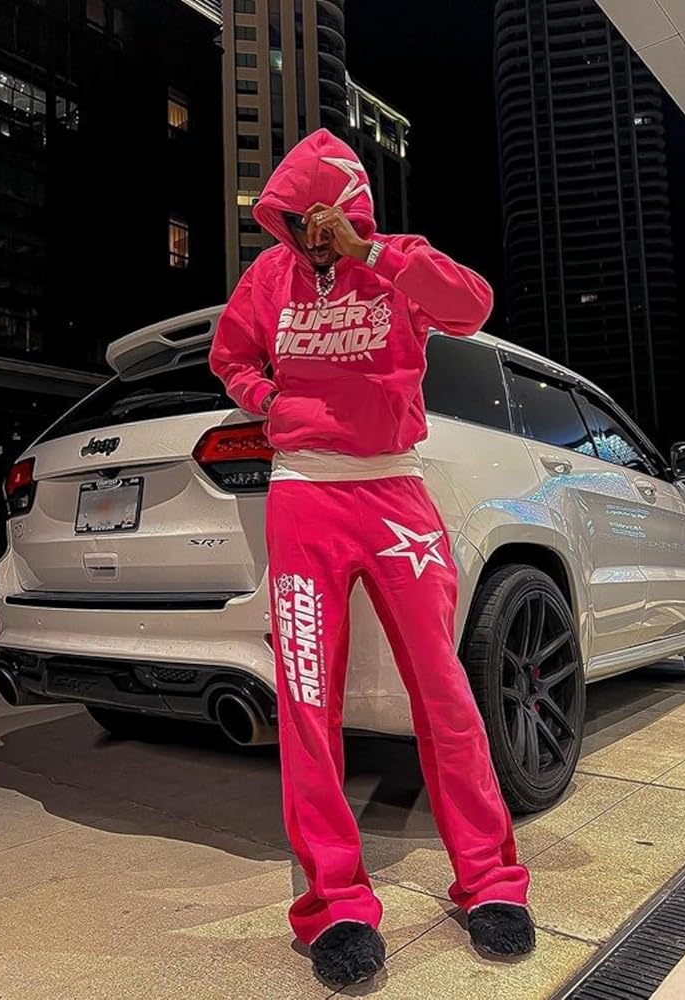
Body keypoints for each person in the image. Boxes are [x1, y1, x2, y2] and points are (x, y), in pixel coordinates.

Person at [210, 128, 533, 989]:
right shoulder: (267, 278)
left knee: (443, 687)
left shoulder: (399, 261)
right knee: (306, 701)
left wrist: (370, 252)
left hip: (395, 492)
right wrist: (269, 401)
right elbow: (229, 354)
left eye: (324, 218)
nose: (312, 236)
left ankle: (491, 881)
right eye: (297, 222)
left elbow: (470, 308)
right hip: (303, 496)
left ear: (353, 207)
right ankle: (336, 905)